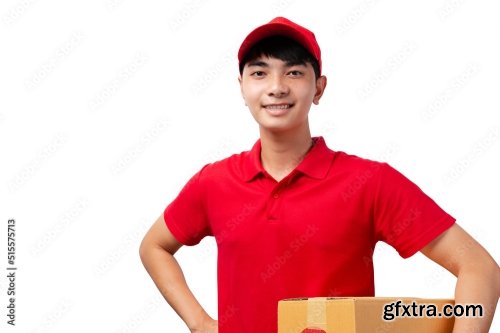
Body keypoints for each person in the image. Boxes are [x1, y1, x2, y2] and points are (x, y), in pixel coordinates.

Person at [139, 17, 500, 333]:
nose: (276, 86)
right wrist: (200, 323)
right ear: (242, 87)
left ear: (320, 88)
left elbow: (479, 268)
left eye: (294, 72)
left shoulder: (369, 182)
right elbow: (154, 246)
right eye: (260, 72)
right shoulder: (214, 183)